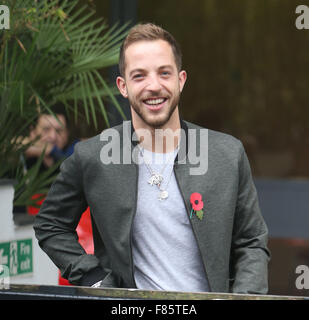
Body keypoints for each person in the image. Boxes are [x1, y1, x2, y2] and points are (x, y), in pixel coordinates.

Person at [34, 23, 270, 294]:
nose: (153, 86)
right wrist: (94, 279)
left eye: (164, 73)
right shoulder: (93, 157)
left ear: (180, 79)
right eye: (139, 76)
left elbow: (251, 241)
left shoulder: (226, 154)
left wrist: (244, 299)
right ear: (123, 86)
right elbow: (50, 224)